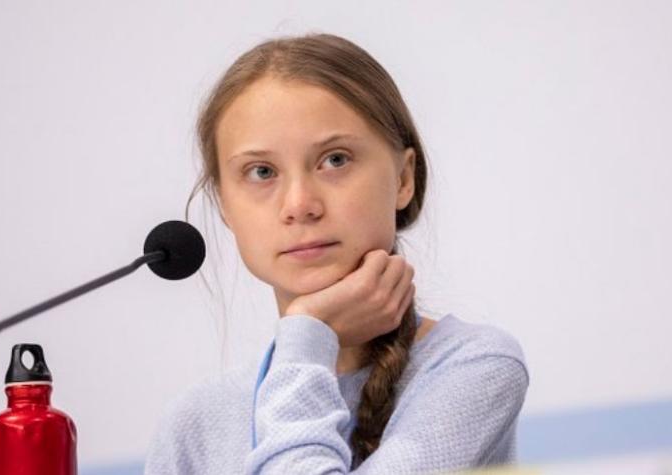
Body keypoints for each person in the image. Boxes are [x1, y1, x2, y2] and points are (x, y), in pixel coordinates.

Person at [144, 32, 529, 475]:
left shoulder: (474, 367)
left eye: (335, 160)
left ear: (404, 179)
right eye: (261, 171)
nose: (299, 204)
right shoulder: (194, 423)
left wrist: (309, 333)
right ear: (225, 206)